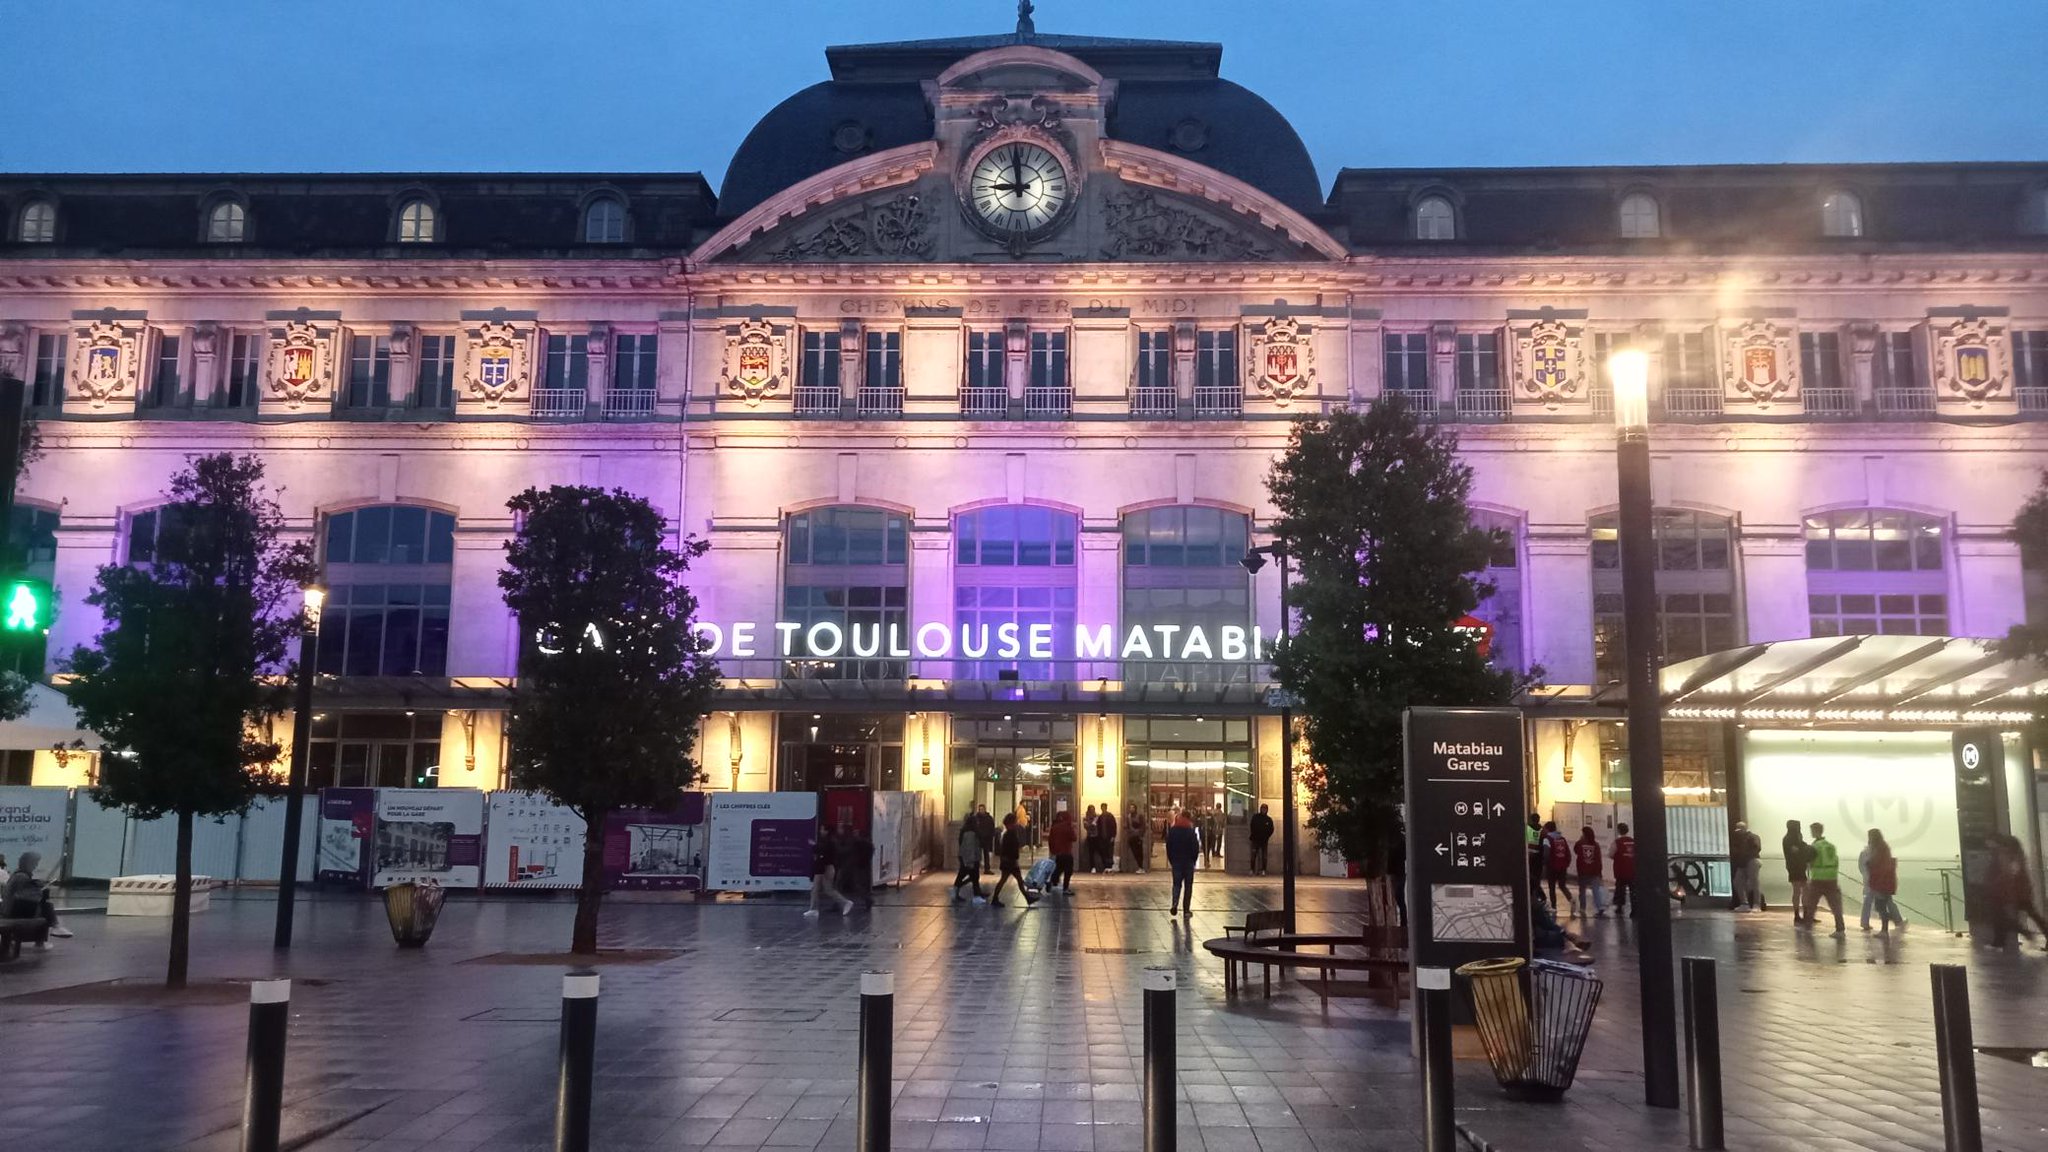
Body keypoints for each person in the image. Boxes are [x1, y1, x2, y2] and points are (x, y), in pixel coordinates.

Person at [2, 851, 70, 943]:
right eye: (34, 863)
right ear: (27, 863)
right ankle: (54, 927)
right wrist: (39, 889)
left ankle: (54, 927)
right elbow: (28, 896)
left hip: (9, 909)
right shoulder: (21, 876)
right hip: (11, 911)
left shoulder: (17, 875)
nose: (35, 866)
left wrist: (36, 886)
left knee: (44, 907)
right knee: (46, 906)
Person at [989, 812, 1040, 908]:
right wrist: (1015, 855)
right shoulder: (1010, 834)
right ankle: (1027, 898)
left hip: (1007, 861)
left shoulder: (1007, 833)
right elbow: (1011, 847)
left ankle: (1027, 898)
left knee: (1009, 880)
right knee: (1013, 880)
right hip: (1010, 862)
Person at [1802, 822, 1844, 936]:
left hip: (1818, 879)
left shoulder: (1815, 846)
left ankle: (1807, 927)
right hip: (1832, 878)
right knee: (1835, 906)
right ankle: (1840, 929)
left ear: (1815, 831)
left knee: (1811, 904)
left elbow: (1808, 861)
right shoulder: (1831, 846)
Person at [805, 826, 853, 918]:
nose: (821, 831)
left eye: (823, 829)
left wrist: (814, 846)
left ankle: (845, 902)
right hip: (824, 867)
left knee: (824, 889)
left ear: (826, 831)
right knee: (820, 889)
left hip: (824, 868)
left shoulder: (829, 842)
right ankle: (813, 909)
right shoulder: (828, 841)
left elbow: (823, 853)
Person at [1864, 829, 1903, 935]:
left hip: (1881, 883)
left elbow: (1877, 864)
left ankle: (1889, 926)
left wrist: (1869, 863)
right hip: (1883, 882)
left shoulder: (1879, 848)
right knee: (1882, 906)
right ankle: (1894, 922)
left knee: (1880, 906)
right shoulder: (1882, 847)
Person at [1165, 809, 1200, 917]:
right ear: (1189, 818)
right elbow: (1195, 847)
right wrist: (1193, 860)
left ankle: (1175, 903)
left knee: (1176, 884)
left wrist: (1171, 859)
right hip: (1188, 862)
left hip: (1176, 862)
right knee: (1188, 886)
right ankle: (1186, 910)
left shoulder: (1173, 830)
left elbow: (1168, 846)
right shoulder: (1190, 831)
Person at [837, 820, 874, 910]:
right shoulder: (858, 840)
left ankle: (838, 903)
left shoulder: (851, 840)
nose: (838, 829)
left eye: (840, 827)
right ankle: (867, 899)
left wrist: (837, 847)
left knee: (842, 885)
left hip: (849, 866)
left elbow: (845, 851)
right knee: (852, 885)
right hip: (853, 865)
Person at [1573, 826, 1607, 918]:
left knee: (1582, 891)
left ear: (1584, 834)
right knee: (1595, 890)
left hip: (1583, 870)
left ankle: (1582, 908)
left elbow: (1575, 850)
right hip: (1594, 871)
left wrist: (1580, 840)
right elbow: (1598, 859)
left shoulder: (1580, 843)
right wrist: (1600, 872)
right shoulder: (1596, 845)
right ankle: (1599, 907)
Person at [1729, 821, 1763, 912]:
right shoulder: (1740, 839)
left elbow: (1757, 848)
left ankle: (1757, 904)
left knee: (1754, 882)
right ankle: (1744, 903)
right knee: (1737, 882)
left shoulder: (1753, 837)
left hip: (1752, 860)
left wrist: (1744, 854)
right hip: (1743, 862)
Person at [1782, 820, 1812, 925]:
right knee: (1800, 891)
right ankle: (1801, 914)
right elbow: (1798, 850)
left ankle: (1800, 914)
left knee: (1800, 891)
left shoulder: (1788, 838)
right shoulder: (1790, 839)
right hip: (1796, 867)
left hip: (1794, 867)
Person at [1542, 821, 1575, 915]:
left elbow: (1546, 853)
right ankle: (1571, 899)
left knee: (1551, 887)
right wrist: (1566, 863)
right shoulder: (1562, 839)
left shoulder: (1547, 839)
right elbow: (1567, 852)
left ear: (1547, 829)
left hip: (1552, 866)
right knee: (1562, 885)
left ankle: (1554, 906)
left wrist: (1544, 863)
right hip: (1562, 866)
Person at [951, 821, 987, 904]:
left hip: (966, 858)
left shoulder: (965, 832)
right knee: (974, 877)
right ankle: (976, 896)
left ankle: (956, 891)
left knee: (963, 875)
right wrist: (970, 861)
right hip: (971, 859)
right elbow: (970, 848)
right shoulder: (971, 834)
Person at [1047, 809, 1078, 895]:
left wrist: (1053, 850)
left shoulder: (1055, 827)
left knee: (1059, 869)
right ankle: (1065, 888)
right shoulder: (1068, 826)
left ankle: (1052, 882)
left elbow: (1050, 840)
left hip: (1058, 853)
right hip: (1067, 852)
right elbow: (1074, 838)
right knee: (1068, 871)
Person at [1611, 822, 1636, 919]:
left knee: (1620, 889)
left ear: (1618, 830)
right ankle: (1635, 909)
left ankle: (1619, 907)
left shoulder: (1617, 842)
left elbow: (1611, 854)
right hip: (1633, 870)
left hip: (1620, 870)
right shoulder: (1633, 841)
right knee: (1633, 890)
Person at [1249, 804, 1275, 877]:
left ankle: (1263, 870)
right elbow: (1252, 826)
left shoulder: (1268, 819)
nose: (1264, 810)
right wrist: (1254, 834)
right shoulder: (1256, 817)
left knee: (1264, 856)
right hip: (1255, 839)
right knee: (1253, 855)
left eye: (1265, 809)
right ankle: (1252, 869)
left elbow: (1271, 829)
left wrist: (1267, 836)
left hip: (1264, 840)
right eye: (1263, 809)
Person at [973, 803, 997, 875]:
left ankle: (987, 868)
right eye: (980, 809)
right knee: (978, 854)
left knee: (986, 854)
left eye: (982, 809)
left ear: (984, 809)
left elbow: (992, 827)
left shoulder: (988, 818)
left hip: (986, 839)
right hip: (979, 838)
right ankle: (976, 868)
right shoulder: (976, 818)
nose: (981, 811)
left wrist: (991, 836)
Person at [1125, 805, 1147, 875]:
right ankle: (1139, 866)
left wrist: (1141, 835)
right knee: (1134, 852)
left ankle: (1141, 867)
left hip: (1138, 836)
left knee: (1139, 852)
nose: (1131, 809)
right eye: (1130, 808)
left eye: (1132, 808)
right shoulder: (1128, 817)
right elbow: (1127, 826)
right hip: (1131, 837)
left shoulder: (1139, 816)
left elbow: (1143, 826)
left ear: (1135, 809)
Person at [1097, 806, 1118, 874]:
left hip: (1109, 837)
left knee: (1109, 852)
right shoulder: (1100, 817)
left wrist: (1113, 836)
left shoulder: (1110, 816)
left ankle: (1109, 867)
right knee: (1104, 852)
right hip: (1102, 838)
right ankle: (1106, 866)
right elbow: (1098, 827)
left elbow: (1114, 826)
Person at [1082, 805, 1100, 872]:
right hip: (1090, 836)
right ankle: (1093, 866)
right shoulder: (1085, 818)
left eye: (1093, 809)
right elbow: (1086, 826)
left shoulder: (1097, 816)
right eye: (1091, 810)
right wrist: (1091, 824)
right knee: (1091, 852)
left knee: (1101, 851)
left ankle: (1105, 866)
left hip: (1097, 836)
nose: (1092, 811)